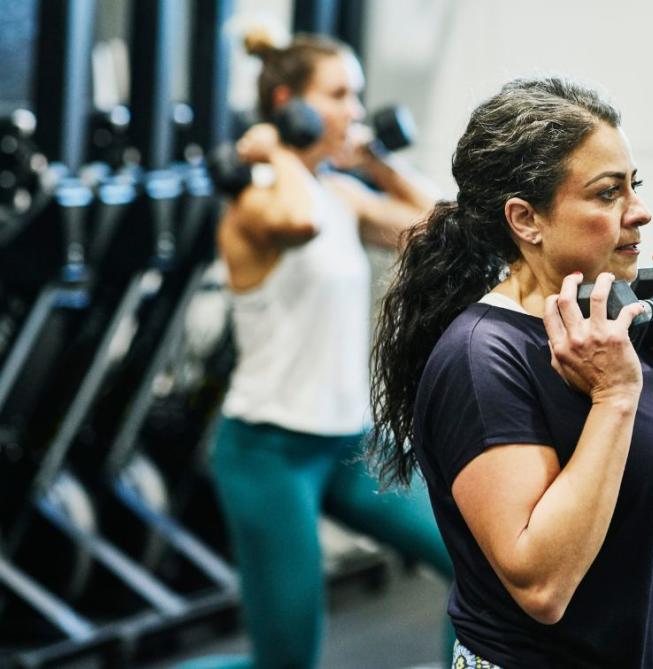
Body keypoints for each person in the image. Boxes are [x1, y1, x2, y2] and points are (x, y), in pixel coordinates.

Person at [367, 76, 653, 668]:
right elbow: (542, 588)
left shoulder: (614, 326)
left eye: (635, 186)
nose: (639, 212)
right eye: (607, 193)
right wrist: (616, 397)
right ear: (526, 219)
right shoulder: (482, 359)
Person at [187, 29, 451, 669]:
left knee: (481, 562)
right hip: (269, 453)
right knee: (286, 663)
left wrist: (377, 164)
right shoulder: (252, 199)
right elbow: (295, 223)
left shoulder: (338, 194)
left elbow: (443, 228)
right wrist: (278, 147)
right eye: (340, 96)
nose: (356, 111)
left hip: (349, 445)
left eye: (357, 96)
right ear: (290, 103)